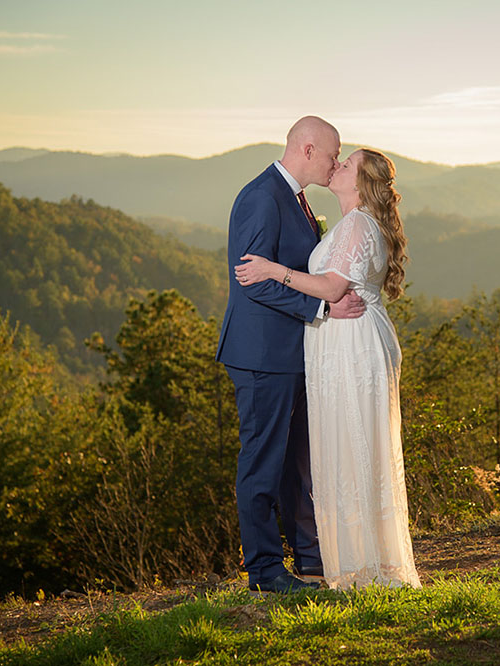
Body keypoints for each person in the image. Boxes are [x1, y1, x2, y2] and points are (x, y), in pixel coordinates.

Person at [235, 148, 421, 589]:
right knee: (351, 445)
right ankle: (356, 559)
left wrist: (271, 269)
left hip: (351, 344)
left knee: (351, 443)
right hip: (346, 340)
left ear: (360, 183)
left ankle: (360, 565)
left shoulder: (357, 224)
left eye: (346, 162)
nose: (337, 165)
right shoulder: (353, 222)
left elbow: (333, 286)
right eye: (336, 156)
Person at [216, 116, 365, 594]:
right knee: (262, 465)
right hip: (261, 356)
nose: (335, 162)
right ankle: (263, 571)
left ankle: (310, 558)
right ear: (306, 149)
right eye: (331, 153)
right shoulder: (261, 197)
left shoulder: (297, 198)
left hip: (293, 354)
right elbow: (252, 280)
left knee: (296, 464)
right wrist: (323, 305)